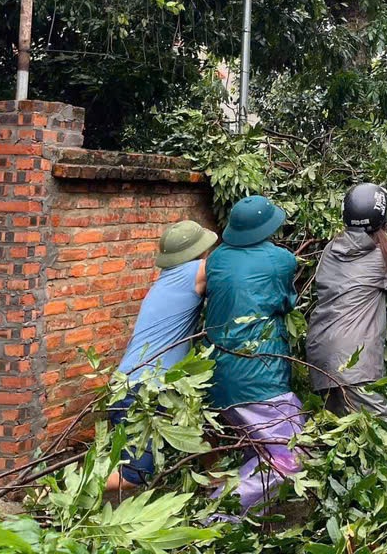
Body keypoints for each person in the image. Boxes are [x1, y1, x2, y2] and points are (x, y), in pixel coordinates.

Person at [204, 195, 306, 513]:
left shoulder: (216, 258)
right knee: (290, 454)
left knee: (258, 447)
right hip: (258, 378)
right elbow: (286, 302)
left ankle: (248, 522)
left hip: (216, 375)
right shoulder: (282, 260)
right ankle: (218, 513)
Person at [106, 220, 219, 491]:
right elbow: (230, 266)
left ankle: (216, 479)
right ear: (199, 251)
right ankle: (59, 492)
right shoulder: (196, 270)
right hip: (142, 390)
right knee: (133, 476)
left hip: (133, 384)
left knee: (198, 428)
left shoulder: (166, 279)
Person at [307, 183, 387, 419]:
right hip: (355, 359)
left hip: (320, 351)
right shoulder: (386, 252)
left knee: (338, 430)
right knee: (376, 431)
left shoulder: (331, 248)